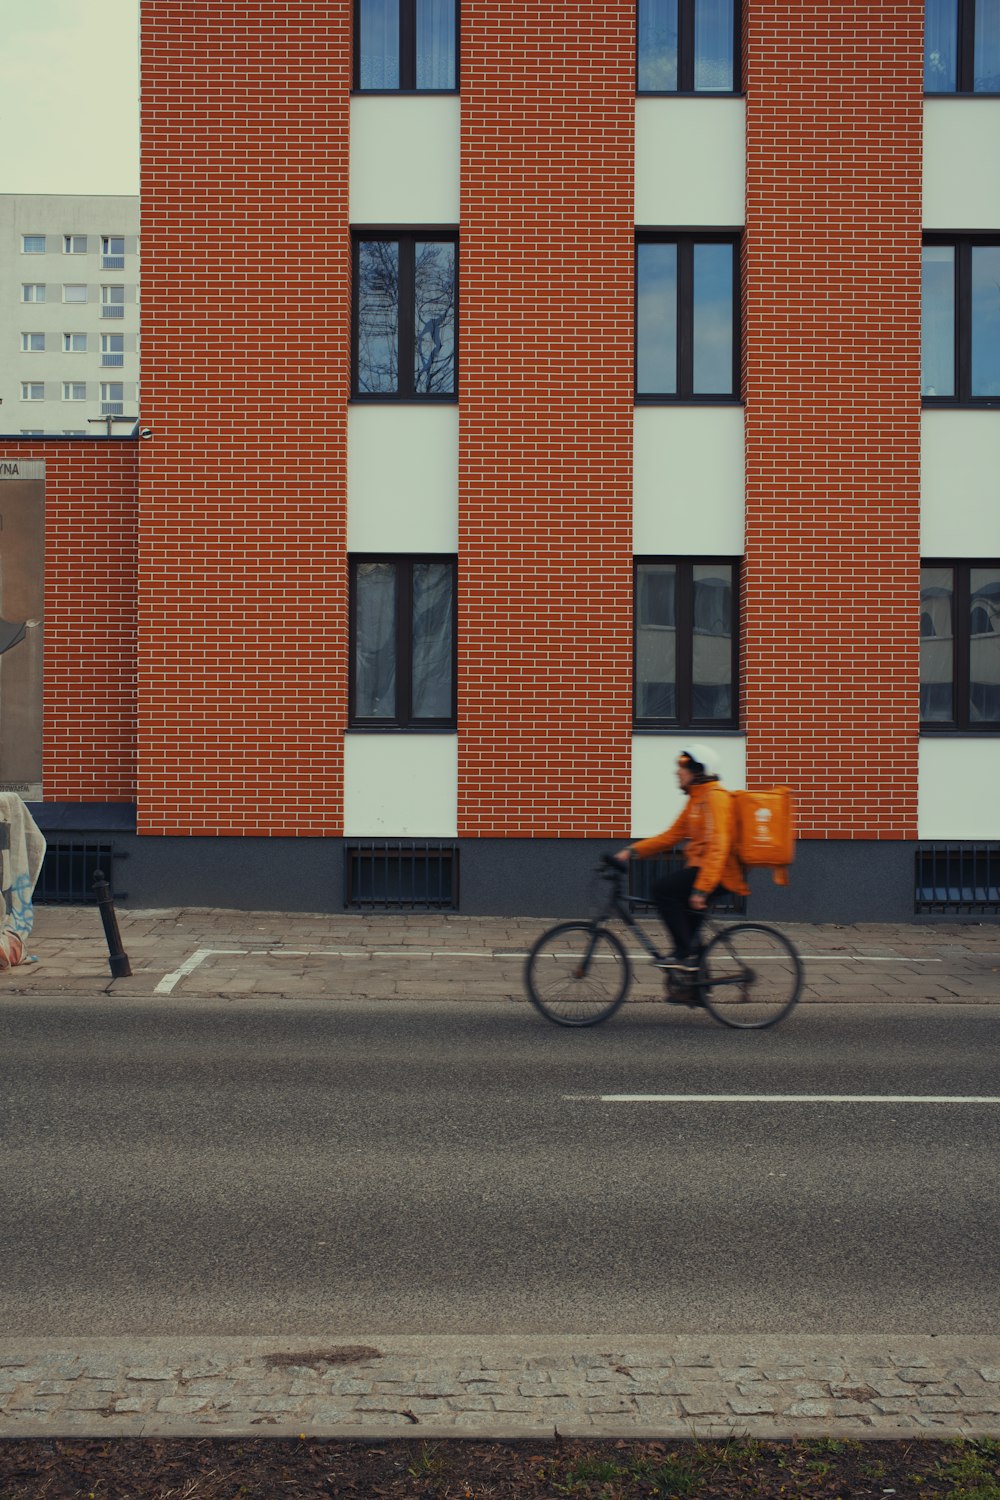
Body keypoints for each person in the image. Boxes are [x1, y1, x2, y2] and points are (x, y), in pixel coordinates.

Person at [614, 743, 747, 972]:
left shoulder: (715, 798)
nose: (677, 770)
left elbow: (719, 845)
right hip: (704, 869)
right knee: (689, 929)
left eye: (683, 765)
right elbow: (670, 837)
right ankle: (694, 983)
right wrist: (631, 851)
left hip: (720, 872)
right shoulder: (696, 800)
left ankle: (683, 954)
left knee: (663, 889)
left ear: (698, 770)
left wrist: (701, 889)